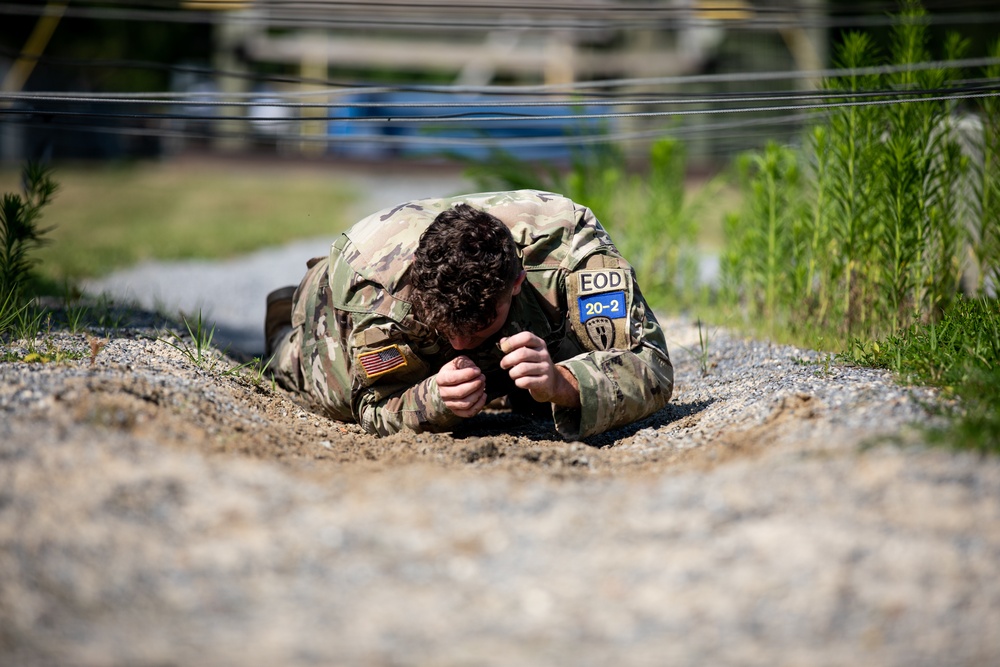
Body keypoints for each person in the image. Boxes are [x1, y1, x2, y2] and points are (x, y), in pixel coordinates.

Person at [265, 189, 673, 440]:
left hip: (527, 311)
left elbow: (651, 365)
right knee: (304, 377)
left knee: (573, 357)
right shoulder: (375, 289)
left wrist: (562, 382)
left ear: (517, 281)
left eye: (479, 326)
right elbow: (372, 406)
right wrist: (433, 400)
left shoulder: (573, 252)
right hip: (325, 315)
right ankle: (284, 318)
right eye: (447, 328)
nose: (459, 344)